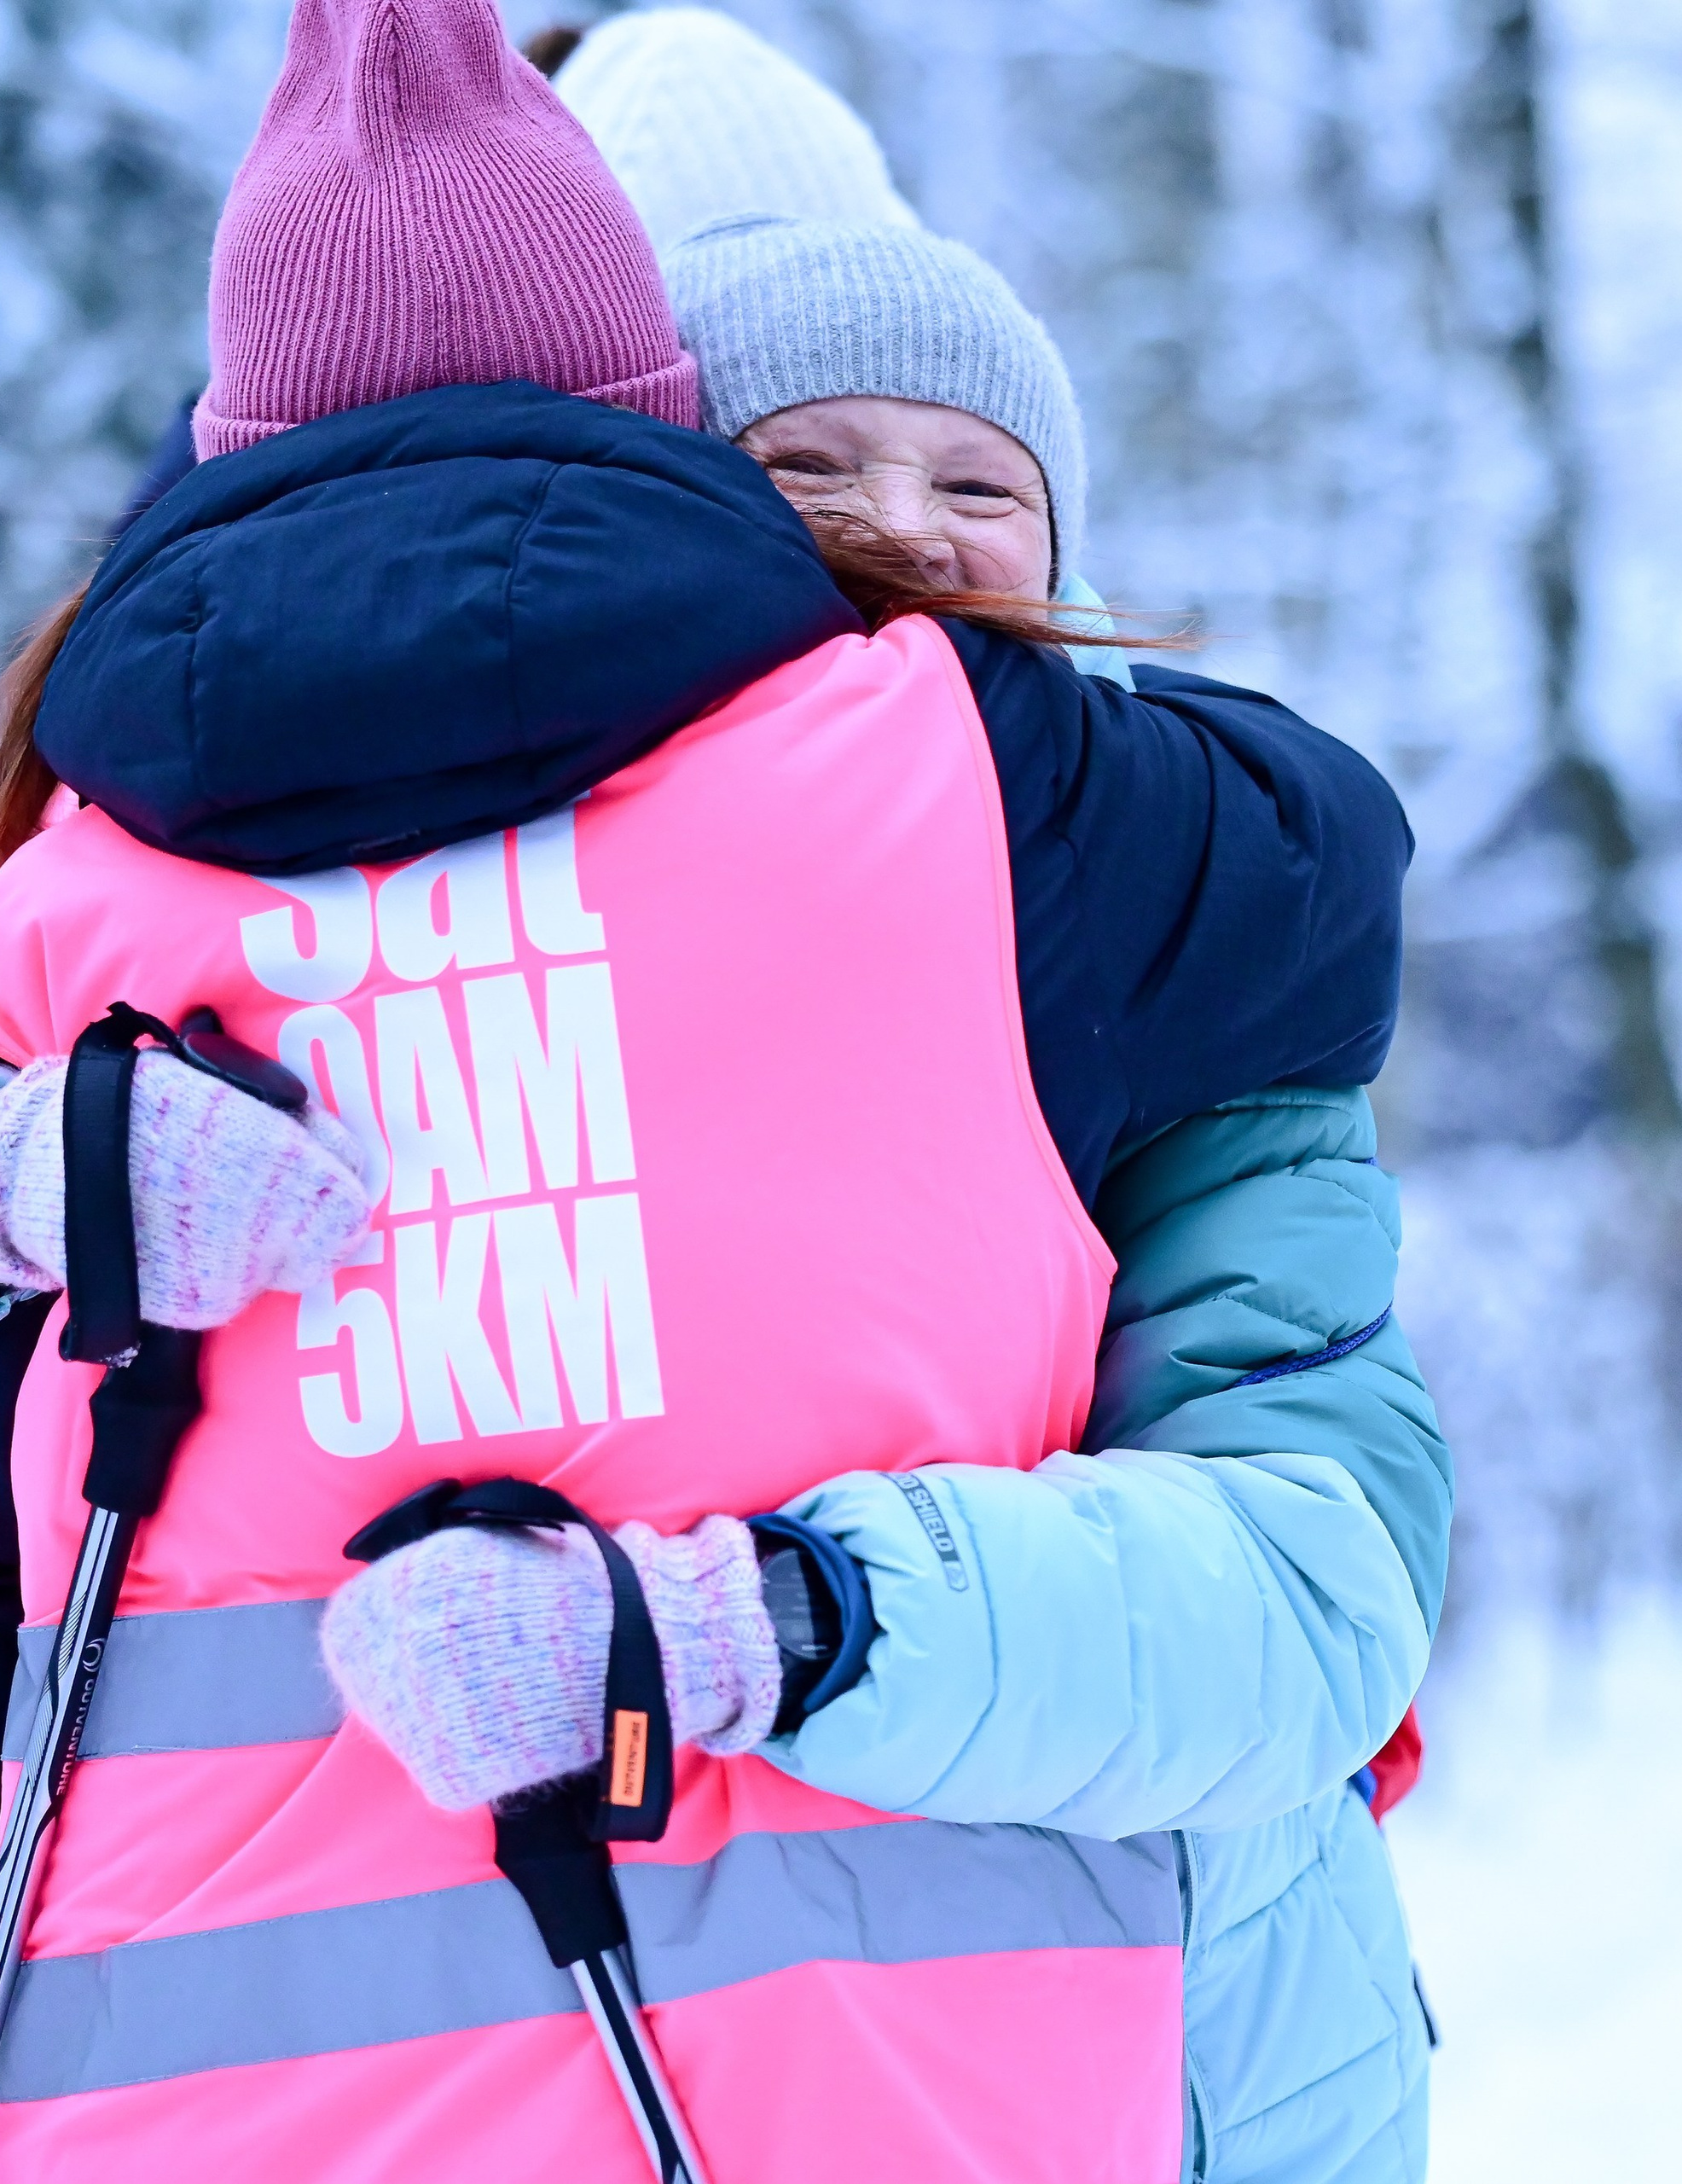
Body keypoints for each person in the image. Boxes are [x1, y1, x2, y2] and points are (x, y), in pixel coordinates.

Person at [0, 9, 1442, 2184]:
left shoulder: (1143, 937)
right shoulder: (308, 908)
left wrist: (774, 1611)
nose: (917, 535)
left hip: (1166, 2079)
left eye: (982, 481)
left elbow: (1308, 1598)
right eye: (808, 473)